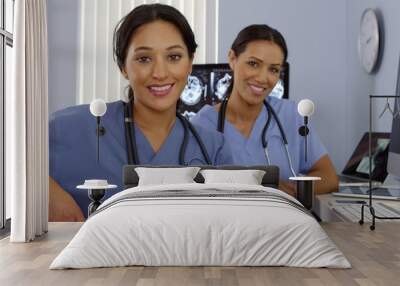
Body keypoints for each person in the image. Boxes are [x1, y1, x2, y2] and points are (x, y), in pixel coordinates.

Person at [49, 4, 233, 221]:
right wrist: (46, 191)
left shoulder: (213, 147)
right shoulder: (72, 127)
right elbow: (11, 152)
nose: (160, 73)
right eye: (144, 58)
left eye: (174, 57)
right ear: (123, 66)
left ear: (190, 63)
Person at [191, 24, 338, 196]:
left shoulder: (291, 115)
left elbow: (329, 179)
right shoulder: (202, 125)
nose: (262, 78)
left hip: (285, 218)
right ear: (232, 58)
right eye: (253, 64)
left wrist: (286, 192)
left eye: (273, 69)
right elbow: (192, 193)